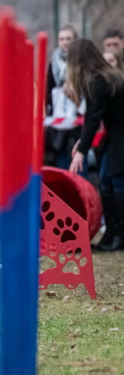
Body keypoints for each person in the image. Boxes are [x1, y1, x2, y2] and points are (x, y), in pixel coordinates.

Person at [67, 39, 124, 252]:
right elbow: (93, 116)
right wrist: (83, 142)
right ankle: (111, 233)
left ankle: (119, 235)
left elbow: (93, 117)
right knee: (106, 180)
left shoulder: (98, 80)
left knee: (114, 181)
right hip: (115, 134)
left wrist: (82, 151)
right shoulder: (103, 76)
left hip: (119, 135)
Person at [45, 26, 85, 174]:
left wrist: (75, 93)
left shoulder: (83, 62)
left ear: (75, 41)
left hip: (79, 120)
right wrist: (58, 95)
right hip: (59, 121)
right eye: (62, 39)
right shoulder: (53, 62)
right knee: (61, 165)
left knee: (80, 164)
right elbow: (48, 91)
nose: (65, 42)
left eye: (68, 39)